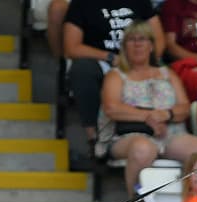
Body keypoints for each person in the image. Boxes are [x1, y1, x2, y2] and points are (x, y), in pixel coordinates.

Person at [98, 19, 197, 194]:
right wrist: (149, 117)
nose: (137, 44)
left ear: (151, 45)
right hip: (130, 135)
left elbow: (184, 107)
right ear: (124, 46)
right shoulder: (116, 75)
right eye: (132, 40)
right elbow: (112, 108)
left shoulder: (168, 74)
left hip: (171, 133)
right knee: (143, 148)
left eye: (143, 39)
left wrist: (165, 115)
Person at [62, 0, 162, 146]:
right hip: (104, 60)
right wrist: (110, 57)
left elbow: (159, 39)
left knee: (165, 72)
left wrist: (144, 61)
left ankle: (158, 129)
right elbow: (71, 47)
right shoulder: (81, 4)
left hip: (139, 60)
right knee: (81, 69)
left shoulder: (141, 2)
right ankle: (94, 137)